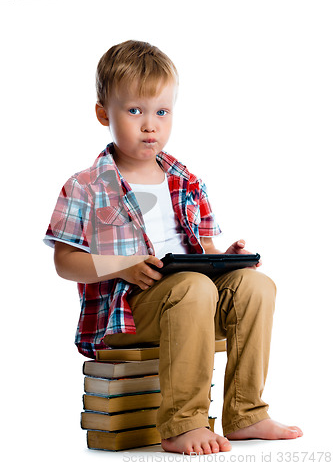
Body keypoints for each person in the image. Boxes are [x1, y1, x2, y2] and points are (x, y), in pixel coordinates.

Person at [44, 40, 302, 455]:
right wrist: (123, 266)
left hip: (192, 298)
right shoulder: (86, 186)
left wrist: (226, 262)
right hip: (128, 312)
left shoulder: (187, 181)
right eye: (135, 111)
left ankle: (245, 412)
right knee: (192, 288)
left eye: (161, 112)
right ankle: (183, 423)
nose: (151, 125)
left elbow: (203, 250)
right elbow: (64, 262)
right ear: (102, 114)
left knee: (256, 285)